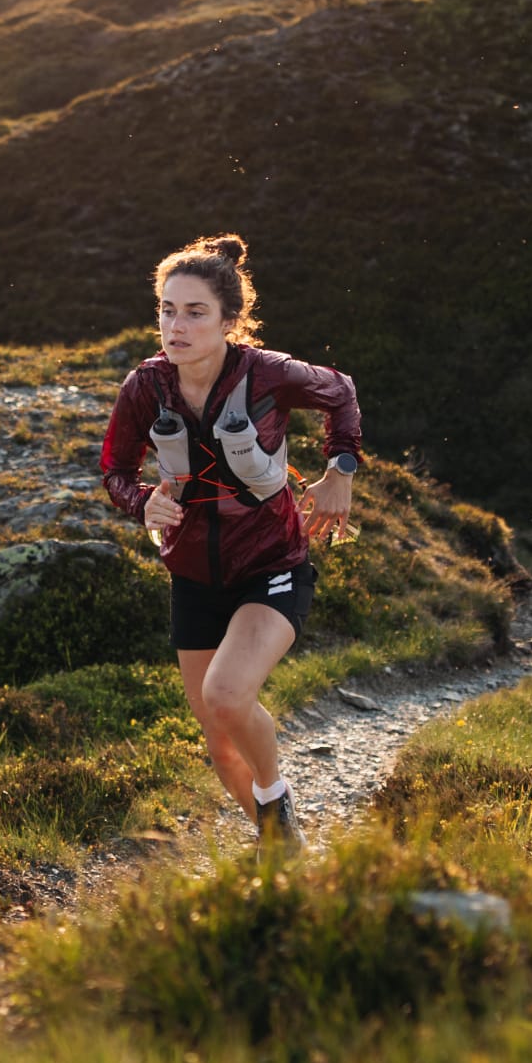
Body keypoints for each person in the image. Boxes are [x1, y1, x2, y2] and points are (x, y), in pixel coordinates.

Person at [98, 234, 362, 847]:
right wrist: (142, 501)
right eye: (167, 310)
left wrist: (340, 471)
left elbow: (341, 392)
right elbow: (115, 470)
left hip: (271, 566)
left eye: (195, 313)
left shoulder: (267, 374)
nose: (176, 326)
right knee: (219, 741)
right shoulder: (146, 387)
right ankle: (281, 848)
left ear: (228, 321)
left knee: (225, 694)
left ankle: (275, 796)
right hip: (193, 576)